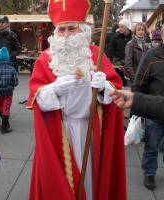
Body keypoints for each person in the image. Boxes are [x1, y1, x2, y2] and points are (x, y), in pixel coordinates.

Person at [27, 1, 126, 199]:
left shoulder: (96, 56)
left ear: (81, 30)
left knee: (90, 180)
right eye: (61, 30)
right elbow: (36, 100)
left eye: (71, 29)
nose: (65, 35)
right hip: (61, 132)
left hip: (91, 130)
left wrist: (103, 86)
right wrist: (54, 89)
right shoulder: (45, 59)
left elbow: (116, 95)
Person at [132, 25, 164, 191]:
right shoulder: (152, 55)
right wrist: (138, 109)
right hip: (153, 110)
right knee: (152, 145)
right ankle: (149, 173)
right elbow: (138, 82)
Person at [0, 47, 18, 134]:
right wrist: (12, 85)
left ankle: (4, 125)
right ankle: (5, 125)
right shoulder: (12, 69)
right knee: (6, 107)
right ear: (7, 58)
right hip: (9, 92)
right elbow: (16, 82)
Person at [107, 19, 132, 85]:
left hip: (129, 66)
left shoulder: (132, 37)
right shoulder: (115, 37)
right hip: (117, 66)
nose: (119, 28)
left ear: (127, 27)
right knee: (117, 84)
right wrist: (118, 62)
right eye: (119, 26)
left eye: (122, 26)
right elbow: (110, 50)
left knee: (127, 85)